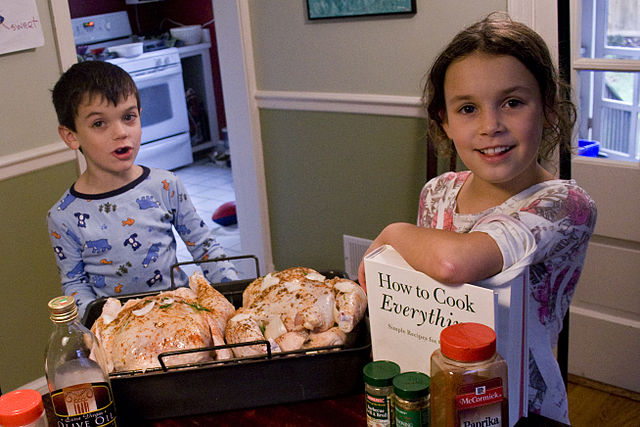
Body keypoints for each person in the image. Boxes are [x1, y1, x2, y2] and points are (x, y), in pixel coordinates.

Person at [358, 13, 596, 424]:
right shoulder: (438, 192)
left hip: (523, 406)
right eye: (468, 108)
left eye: (513, 102)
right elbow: (423, 289)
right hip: (443, 386)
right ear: (444, 123)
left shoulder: (563, 205)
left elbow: (454, 263)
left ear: (549, 110)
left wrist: (393, 233)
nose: (491, 126)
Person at [47, 60, 238, 319]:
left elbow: (205, 247)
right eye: (99, 124)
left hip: (180, 315)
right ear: (71, 136)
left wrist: (233, 297)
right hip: (118, 331)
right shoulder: (63, 216)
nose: (121, 132)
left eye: (128, 117)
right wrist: (104, 324)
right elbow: (75, 285)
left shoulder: (165, 186)